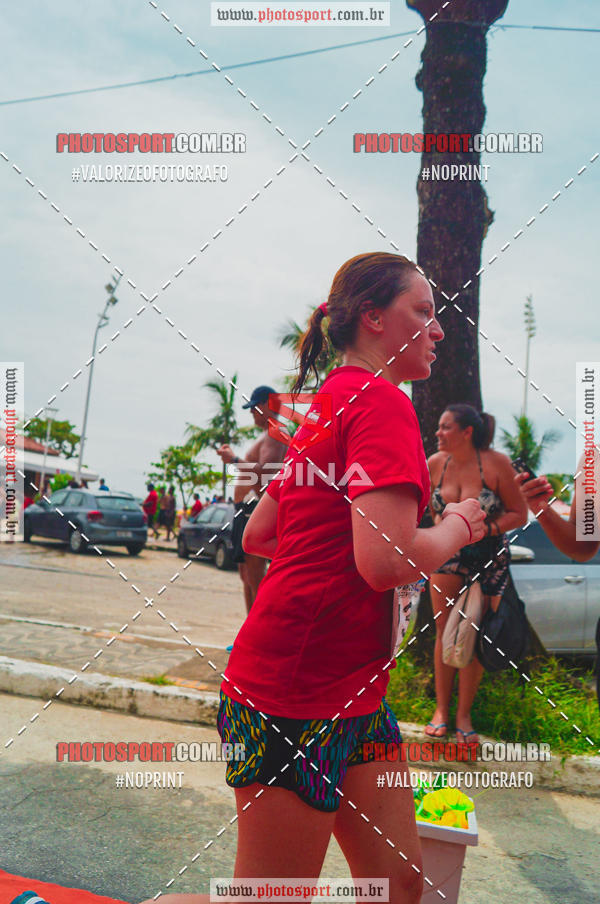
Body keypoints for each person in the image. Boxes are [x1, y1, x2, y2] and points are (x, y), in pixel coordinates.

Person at [137, 253, 487, 904]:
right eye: (424, 312)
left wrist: (328, 552)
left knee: (400, 882)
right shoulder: (378, 401)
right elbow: (383, 561)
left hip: (356, 696)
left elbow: (259, 535)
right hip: (292, 701)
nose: (439, 329)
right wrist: (462, 525)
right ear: (374, 319)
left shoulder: (331, 401)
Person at [425, 404, 528, 745]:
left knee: (475, 633)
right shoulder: (434, 464)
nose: (438, 433)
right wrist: (440, 531)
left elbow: (519, 513)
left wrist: (489, 529)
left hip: (487, 557)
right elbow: (425, 510)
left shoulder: (496, 463)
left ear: (467, 432)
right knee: (444, 632)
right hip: (446, 556)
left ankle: (463, 715)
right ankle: (441, 710)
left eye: (445, 427)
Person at [217, 385, 288, 615]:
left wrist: (234, 459)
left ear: (269, 404)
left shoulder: (276, 431)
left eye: (255, 407)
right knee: (246, 574)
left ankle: (258, 640)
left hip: (254, 507)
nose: (251, 413)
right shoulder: (268, 433)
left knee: (255, 576)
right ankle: (247, 634)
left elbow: (267, 473)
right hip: (245, 508)